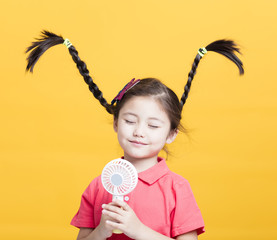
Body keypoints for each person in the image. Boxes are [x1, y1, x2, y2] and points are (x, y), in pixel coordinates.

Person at [26, 31, 244, 240]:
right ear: (116, 123)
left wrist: (139, 231)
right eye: (130, 121)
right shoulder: (98, 186)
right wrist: (101, 231)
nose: (139, 131)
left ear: (171, 134)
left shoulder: (177, 188)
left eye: (153, 125)